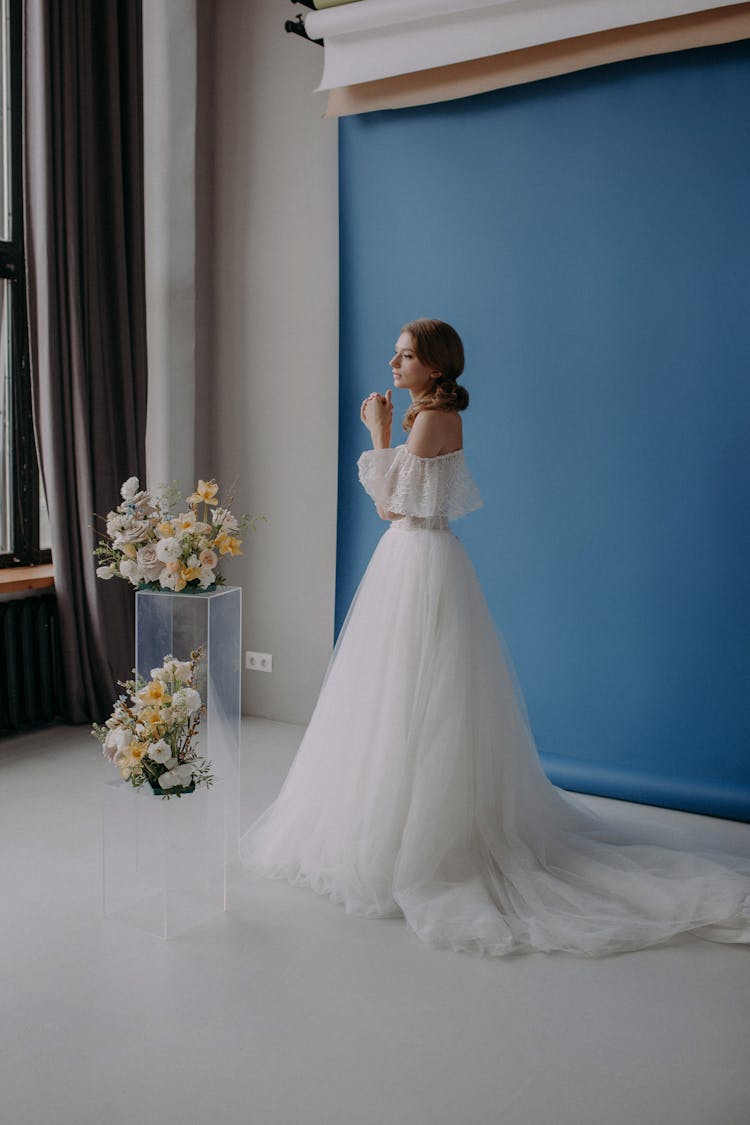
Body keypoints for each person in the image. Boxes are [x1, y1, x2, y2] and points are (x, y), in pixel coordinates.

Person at [241, 318, 750, 957]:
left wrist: (373, 432)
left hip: (416, 561)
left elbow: (396, 508)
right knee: (401, 697)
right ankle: (393, 821)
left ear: (435, 365)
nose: (393, 365)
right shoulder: (430, 416)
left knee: (413, 696)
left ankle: (415, 836)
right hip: (415, 562)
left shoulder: (431, 420)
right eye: (395, 355)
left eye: (405, 356)